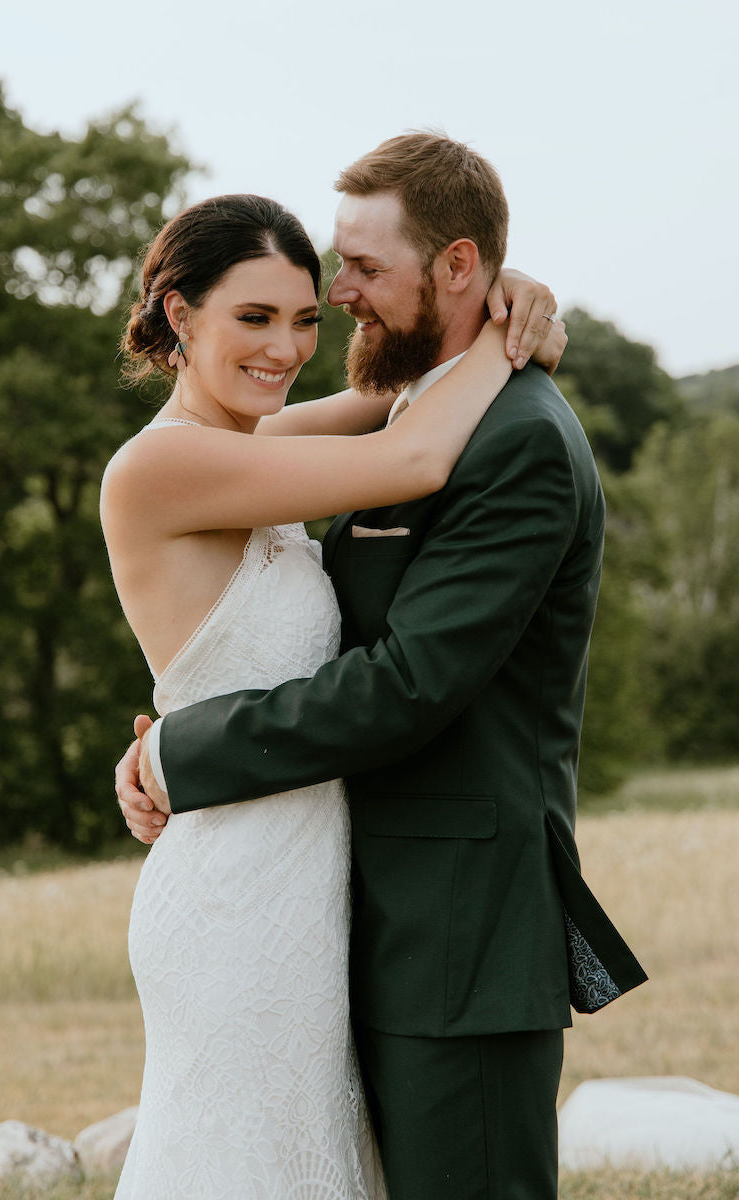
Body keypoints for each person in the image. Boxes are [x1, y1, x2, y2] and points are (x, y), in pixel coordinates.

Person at [118, 134, 648, 1199]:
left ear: (453, 266)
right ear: (182, 318)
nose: (333, 305)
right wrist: (497, 314)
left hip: (447, 931)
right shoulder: (218, 452)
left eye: (343, 282)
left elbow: (405, 680)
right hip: (293, 906)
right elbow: (397, 458)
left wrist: (514, 301)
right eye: (264, 312)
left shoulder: (505, 438)